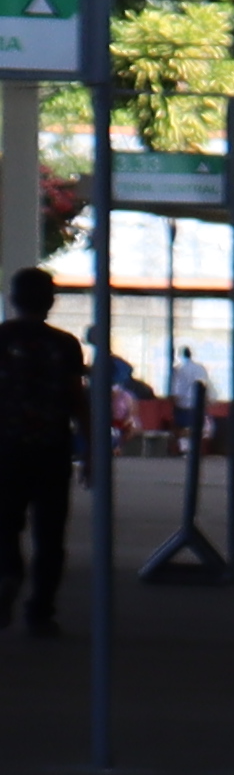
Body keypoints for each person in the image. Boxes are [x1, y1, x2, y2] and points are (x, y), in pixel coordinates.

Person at [0, 267, 79, 636]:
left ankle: (8, 574)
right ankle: (40, 611)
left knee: (4, 526)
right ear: (50, 301)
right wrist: (93, 453)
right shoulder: (65, 345)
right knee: (50, 536)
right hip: (52, 451)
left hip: (6, 451)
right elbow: (78, 401)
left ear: (13, 298)